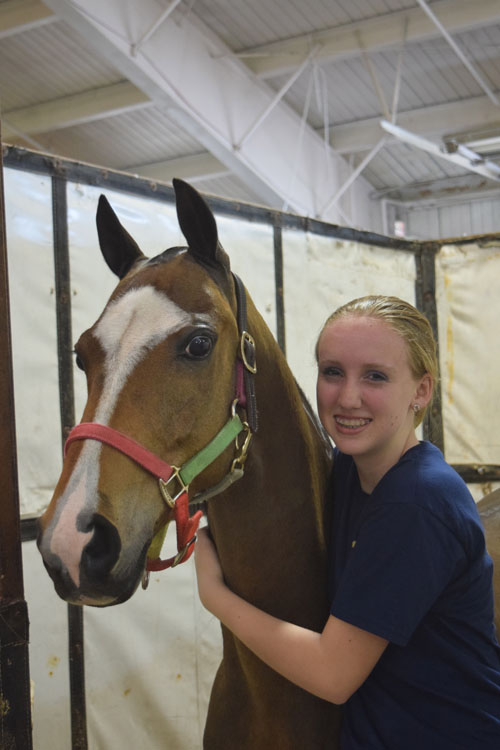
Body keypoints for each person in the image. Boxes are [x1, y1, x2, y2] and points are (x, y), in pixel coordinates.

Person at [195, 295, 500, 749]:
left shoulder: (418, 501)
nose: (347, 397)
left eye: (375, 376)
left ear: (422, 391)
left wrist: (215, 596)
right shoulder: (348, 473)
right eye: (332, 371)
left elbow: (332, 674)